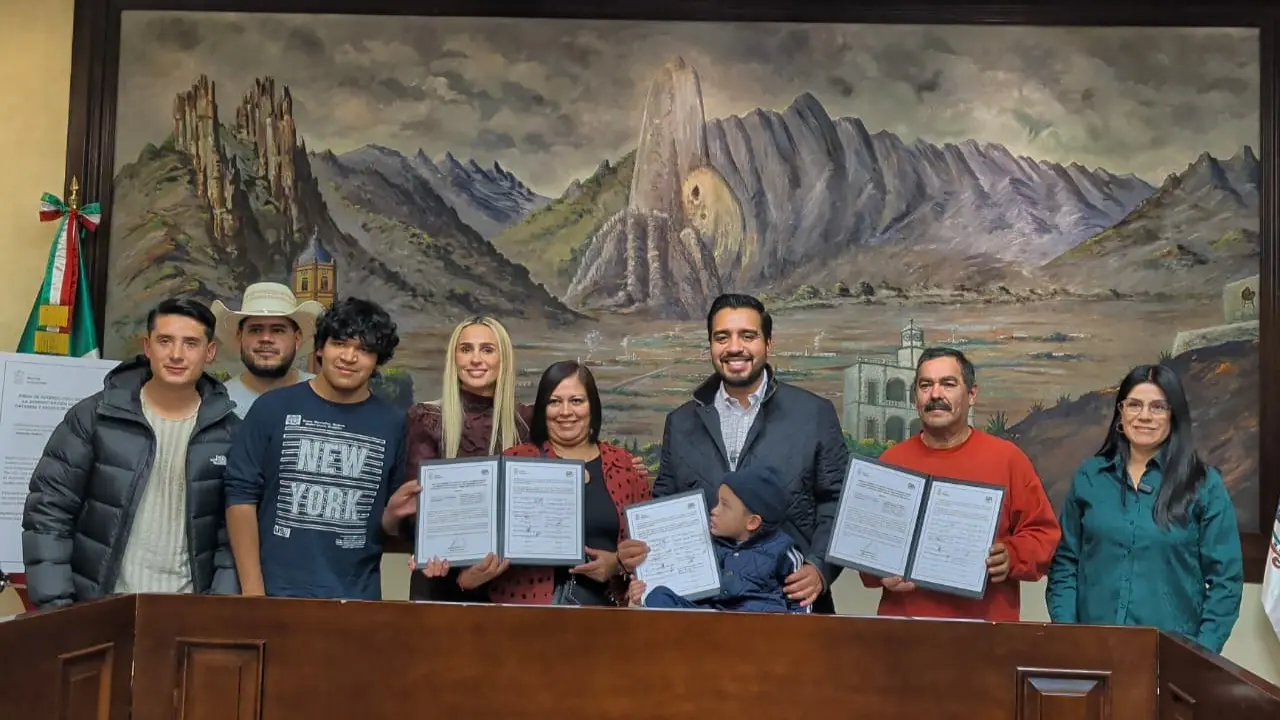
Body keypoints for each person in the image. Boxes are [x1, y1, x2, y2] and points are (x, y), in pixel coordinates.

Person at [617, 293, 847, 612]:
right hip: (698, 613)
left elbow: (837, 503)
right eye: (722, 337)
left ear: (768, 342)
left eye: (748, 336)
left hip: (791, 608)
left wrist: (820, 568)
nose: (734, 347)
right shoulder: (681, 422)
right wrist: (641, 553)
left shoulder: (813, 414)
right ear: (710, 345)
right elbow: (664, 506)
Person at [404, 317, 651, 602]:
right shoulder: (514, 456)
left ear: (592, 407)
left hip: (602, 611)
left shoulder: (619, 465)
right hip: (498, 594)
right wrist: (425, 545)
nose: (565, 411)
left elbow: (642, 551)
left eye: (577, 401)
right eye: (554, 402)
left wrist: (617, 564)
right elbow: (417, 514)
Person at [21, 298, 240, 608]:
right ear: (147, 346)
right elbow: (48, 512)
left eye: (190, 343)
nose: (176, 354)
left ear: (210, 352)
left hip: (189, 613)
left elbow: (233, 536)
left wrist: (218, 609)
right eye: (165, 341)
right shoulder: (94, 417)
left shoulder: (231, 433)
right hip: (100, 609)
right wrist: (56, 608)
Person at [224, 297, 418, 600]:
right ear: (320, 349)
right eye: (339, 343)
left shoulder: (393, 423)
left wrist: (393, 515)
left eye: (365, 349)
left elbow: (387, 525)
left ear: (377, 361)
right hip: (276, 593)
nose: (349, 357)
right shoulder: (273, 408)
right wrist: (253, 593)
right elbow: (240, 496)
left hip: (357, 597)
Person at [1046, 364, 1243, 652]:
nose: (1145, 416)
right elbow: (1065, 564)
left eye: (1158, 407)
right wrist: (1070, 635)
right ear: (1120, 413)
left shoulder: (1204, 485)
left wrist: (1201, 654)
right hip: (1092, 652)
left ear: (1174, 415)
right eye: (1134, 405)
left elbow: (1226, 581)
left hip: (1171, 659)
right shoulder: (1090, 477)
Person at [860, 347, 1061, 621]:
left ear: (972, 394)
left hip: (986, 635)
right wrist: (880, 571)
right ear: (915, 397)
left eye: (948, 384)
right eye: (925, 385)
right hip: (904, 634)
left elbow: (1044, 536)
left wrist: (1012, 555)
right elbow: (866, 547)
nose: (935, 395)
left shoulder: (1007, 459)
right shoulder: (891, 461)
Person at [628, 465, 807, 614]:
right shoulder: (707, 543)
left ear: (752, 522)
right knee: (658, 596)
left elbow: (800, 601)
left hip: (757, 628)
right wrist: (641, 595)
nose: (714, 510)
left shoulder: (783, 550)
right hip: (712, 621)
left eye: (725, 506)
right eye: (717, 502)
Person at [211, 282, 323, 418]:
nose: (265, 338)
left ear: (297, 338)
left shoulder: (323, 395)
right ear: (239, 337)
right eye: (255, 330)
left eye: (278, 330)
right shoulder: (217, 404)